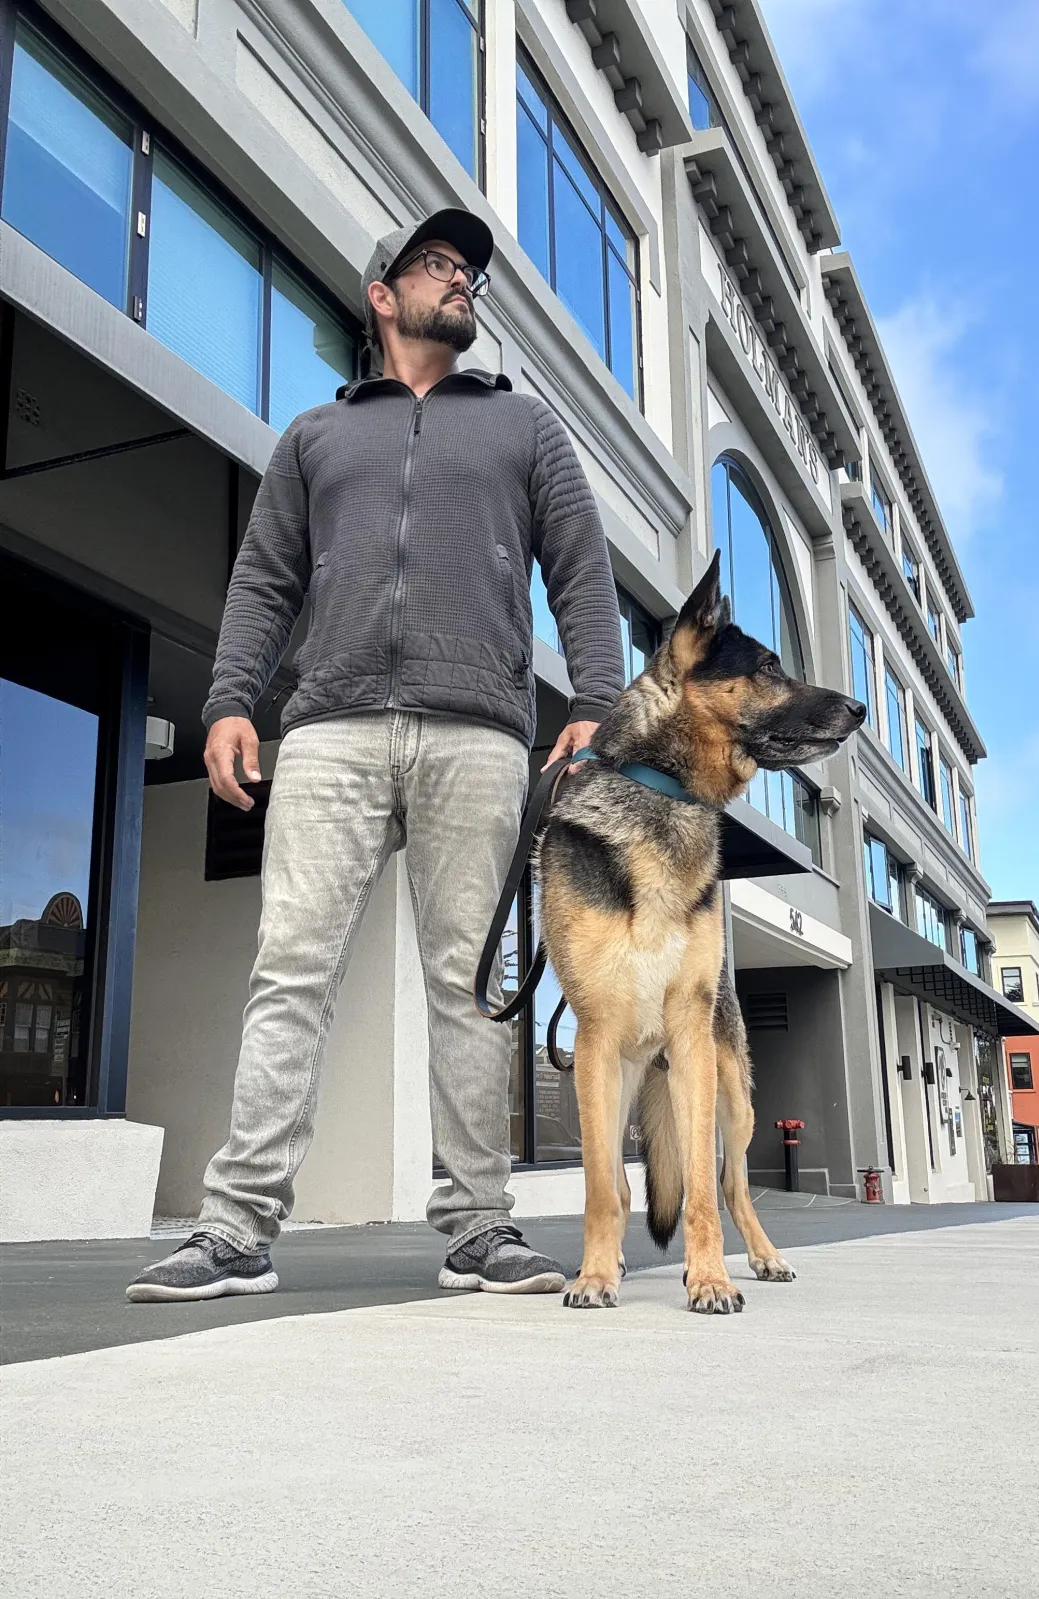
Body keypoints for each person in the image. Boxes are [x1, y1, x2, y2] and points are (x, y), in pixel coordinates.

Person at [128, 208, 625, 1302]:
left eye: (469, 271)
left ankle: (479, 1225)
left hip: (477, 733)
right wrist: (229, 699)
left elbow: (581, 570)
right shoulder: (316, 437)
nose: (461, 281)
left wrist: (596, 699)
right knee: (290, 972)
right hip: (331, 729)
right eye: (437, 264)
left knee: (468, 986)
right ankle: (234, 1229)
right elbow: (265, 579)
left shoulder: (525, 428)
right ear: (383, 294)